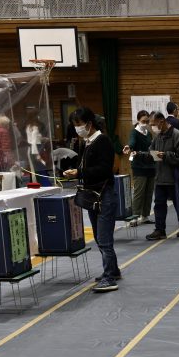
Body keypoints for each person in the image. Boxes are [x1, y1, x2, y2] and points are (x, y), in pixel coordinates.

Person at [63, 106, 120, 293]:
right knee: (98, 236)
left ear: (88, 124)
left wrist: (79, 172)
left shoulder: (102, 141)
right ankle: (113, 270)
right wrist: (76, 172)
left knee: (104, 239)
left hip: (104, 194)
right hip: (92, 195)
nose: (77, 129)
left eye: (78, 125)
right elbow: (86, 166)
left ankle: (110, 277)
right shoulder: (86, 142)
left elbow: (104, 169)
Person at [145, 111, 179, 241]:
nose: (152, 127)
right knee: (159, 204)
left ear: (161, 121)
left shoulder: (177, 135)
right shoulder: (158, 136)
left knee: (178, 204)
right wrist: (139, 154)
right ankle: (160, 230)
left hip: (174, 178)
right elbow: (151, 150)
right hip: (160, 177)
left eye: (153, 124)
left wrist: (166, 155)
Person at [127, 110, 155, 226]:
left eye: (147, 121)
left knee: (148, 193)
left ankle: (145, 216)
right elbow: (131, 143)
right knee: (139, 193)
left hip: (150, 166)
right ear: (138, 120)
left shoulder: (148, 133)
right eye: (143, 121)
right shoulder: (134, 132)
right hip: (139, 167)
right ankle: (134, 217)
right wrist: (128, 147)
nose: (145, 123)